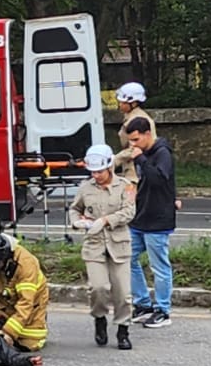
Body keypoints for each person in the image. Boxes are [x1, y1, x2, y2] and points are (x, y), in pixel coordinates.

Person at [69, 143, 136, 351]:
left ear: (109, 168)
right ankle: (99, 319)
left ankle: (123, 329)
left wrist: (106, 220)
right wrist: (77, 222)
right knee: (98, 288)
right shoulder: (85, 188)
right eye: (93, 172)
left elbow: (129, 212)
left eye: (99, 171)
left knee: (123, 292)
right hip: (94, 245)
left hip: (119, 244)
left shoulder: (125, 186)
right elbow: (74, 209)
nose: (96, 175)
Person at [124, 115, 177, 327]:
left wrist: (141, 159)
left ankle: (163, 310)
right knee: (128, 258)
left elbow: (158, 179)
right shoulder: (144, 154)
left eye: (136, 140)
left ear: (147, 134)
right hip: (140, 216)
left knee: (159, 266)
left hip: (158, 219)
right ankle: (143, 303)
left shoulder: (162, 153)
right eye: (131, 141)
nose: (133, 145)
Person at [112, 81, 156, 184]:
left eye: (123, 102)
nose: (120, 104)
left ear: (134, 103)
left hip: (137, 171)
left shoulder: (138, 120)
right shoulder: (130, 117)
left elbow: (135, 147)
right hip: (132, 167)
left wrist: (115, 160)